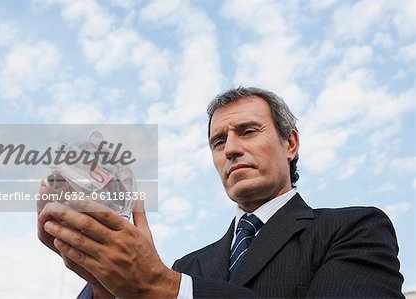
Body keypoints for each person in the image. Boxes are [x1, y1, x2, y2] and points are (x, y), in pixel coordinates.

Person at [38, 87, 404, 298]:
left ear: (290, 142)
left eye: (247, 131)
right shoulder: (189, 266)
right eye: (218, 141)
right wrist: (105, 283)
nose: (229, 149)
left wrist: (159, 285)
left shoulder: (355, 229)